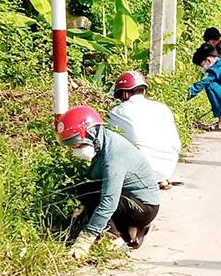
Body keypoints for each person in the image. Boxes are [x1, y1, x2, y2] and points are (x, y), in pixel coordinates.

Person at [56, 106, 161, 260]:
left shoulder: (114, 160)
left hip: (143, 207)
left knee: (93, 196)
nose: (75, 150)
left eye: (77, 145)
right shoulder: (105, 141)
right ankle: (130, 229)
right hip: (133, 198)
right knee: (87, 190)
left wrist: (86, 238)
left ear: (91, 134)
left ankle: (117, 238)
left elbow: (109, 202)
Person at [108, 71, 182, 190]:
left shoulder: (118, 112)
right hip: (167, 168)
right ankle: (161, 180)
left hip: (138, 172)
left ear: (125, 94)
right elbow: (177, 145)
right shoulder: (162, 108)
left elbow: (110, 142)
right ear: (144, 90)